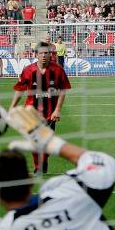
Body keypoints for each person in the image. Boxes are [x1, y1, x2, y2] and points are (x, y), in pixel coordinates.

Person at [10, 41, 71, 174]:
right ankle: (39, 167)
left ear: (50, 55)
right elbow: (19, 90)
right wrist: (12, 108)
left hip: (50, 113)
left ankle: (43, 162)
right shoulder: (28, 70)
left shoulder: (58, 70)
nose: (44, 55)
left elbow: (63, 90)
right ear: (35, 54)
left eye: (46, 53)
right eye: (41, 53)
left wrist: (57, 110)